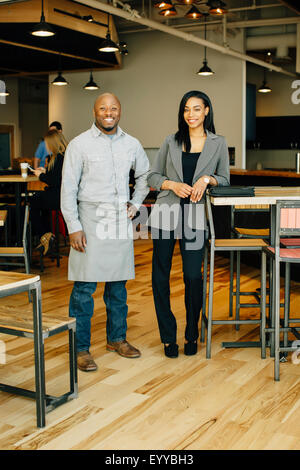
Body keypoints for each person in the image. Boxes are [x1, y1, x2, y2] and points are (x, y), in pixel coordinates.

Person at [61, 93, 149, 372]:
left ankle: (116, 339)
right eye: (103, 108)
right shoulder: (79, 144)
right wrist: (73, 226)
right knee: (84, 289)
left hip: (118, 221)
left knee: (118, 286)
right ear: (95, 111)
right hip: (88, 218)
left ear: (119, 111)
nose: (108, 113)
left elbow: (145, 176)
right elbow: (68, 189)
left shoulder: (132, 143)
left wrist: (136, 204)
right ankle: (81, 348)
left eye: (113, 108)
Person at [147, 90, 230, 358]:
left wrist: (207, 180)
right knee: (160, 276)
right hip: (165, 212)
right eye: (186, 109)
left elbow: (225, 179)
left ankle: (192, 333)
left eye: (196, 109)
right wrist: (170, 183)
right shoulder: (170, 141)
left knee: (193, 276)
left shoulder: (218, 143)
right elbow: (153, 176)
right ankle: (168, 338)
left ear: (207, 111)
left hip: (195, 215)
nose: (191, 114)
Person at [31, 129, 68, 254]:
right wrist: (45, 171)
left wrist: (40, 175)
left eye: (47, 143)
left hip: (58, 196)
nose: (46, 146)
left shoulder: (59, 158)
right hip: (61, 195)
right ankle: (46, 235)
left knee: (34, 200)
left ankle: (44, 235)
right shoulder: (62, 156)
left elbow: (55, 181)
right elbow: (57, 176)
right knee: (39, 200)